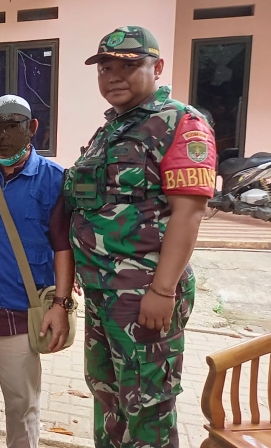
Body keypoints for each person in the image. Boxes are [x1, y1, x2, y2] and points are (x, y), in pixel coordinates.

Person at [64, 26, 217, 447]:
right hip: (102, 293)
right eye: (105, 68)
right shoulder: (110, 131)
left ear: (157, 67)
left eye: (128, 66)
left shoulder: (180, 124)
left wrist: (163, 290)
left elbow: (189, 213)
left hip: (144, 295)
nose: (113, 76)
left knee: (147, 407)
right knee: (108, 397)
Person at [0, 95, 75, 448]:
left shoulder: (53, 179)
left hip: (21, 310)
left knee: (21, 406)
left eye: (12, 126)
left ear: (32, 127)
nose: (2, 135)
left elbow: (63, 247)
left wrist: (60, 304)